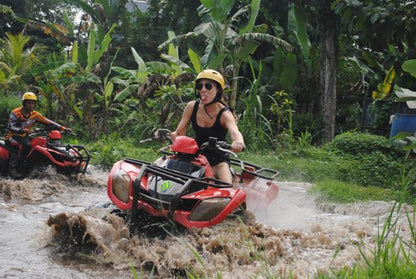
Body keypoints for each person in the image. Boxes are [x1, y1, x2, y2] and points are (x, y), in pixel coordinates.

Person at [171, 69, 245, 183]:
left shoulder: (225, 114)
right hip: (196, 157)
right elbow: (179, 132)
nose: (203, 89)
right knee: (163, 171)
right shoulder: (191, 107)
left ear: (218, 90)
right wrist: (168, 134)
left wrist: (238, 142)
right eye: (200, 86)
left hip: (218, 161)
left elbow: (235, 132)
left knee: (225, 187)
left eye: (208, 86)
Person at [4, 92, 70, 177]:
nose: (31, 105)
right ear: (24, 103)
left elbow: (48, 122)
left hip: (24, 136)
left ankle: (31, 165)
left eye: (33, 103)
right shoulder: (15, 113)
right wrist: (24, 130)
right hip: (11, 136)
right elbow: (11, 127)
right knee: (25, 146)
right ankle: (13, 169)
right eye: (29, 103)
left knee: (39, 143)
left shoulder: (35, 114)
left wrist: (63, 128)